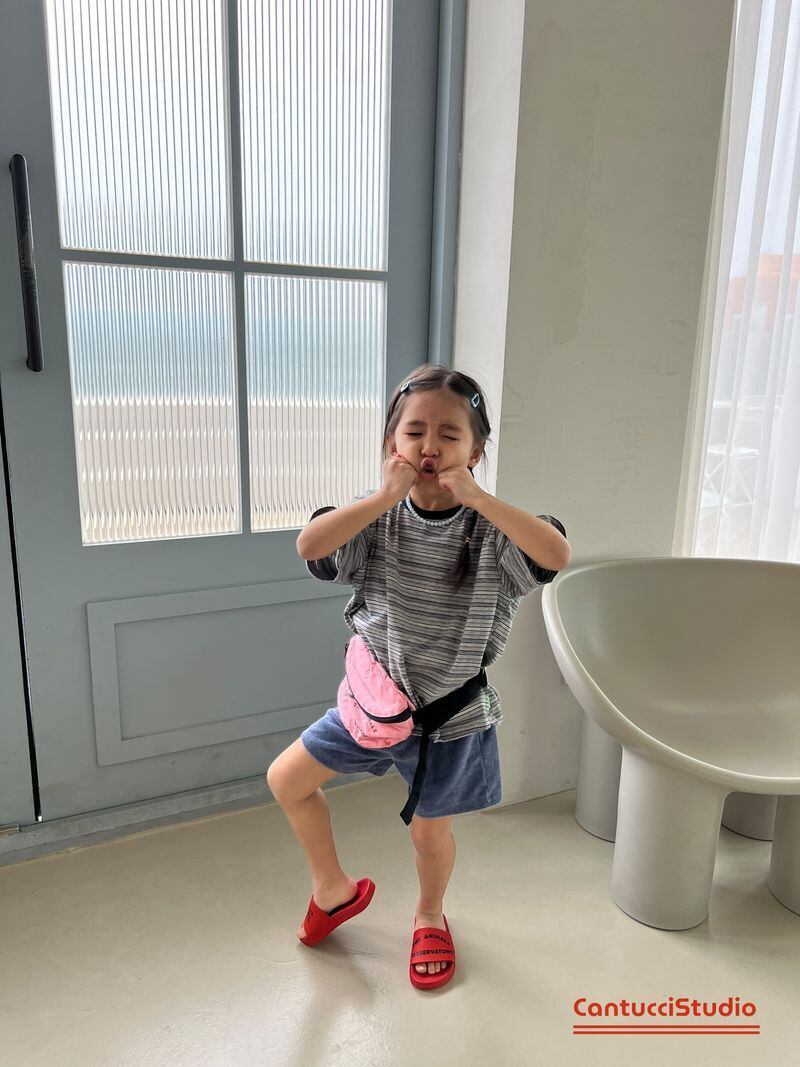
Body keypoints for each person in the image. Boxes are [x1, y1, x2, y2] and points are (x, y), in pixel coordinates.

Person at [266, 364, 571, 990]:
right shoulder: (373, 517)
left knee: (430, 836)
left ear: (476, 451)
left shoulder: (494, 529)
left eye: (450, 435)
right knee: (287, 780)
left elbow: (555, 555)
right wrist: (381, 499)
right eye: (414, 431)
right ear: (391, 443)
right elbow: (309, 546)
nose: (430, 447)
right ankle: (332, 889)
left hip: (448, 721)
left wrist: (480, 500)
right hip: (372, 708)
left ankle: (430, 915)